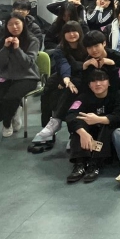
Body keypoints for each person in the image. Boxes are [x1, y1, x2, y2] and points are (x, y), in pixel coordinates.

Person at [30, 21, 87, 152]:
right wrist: (66, 79)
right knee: (48, 89)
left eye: (74, 31)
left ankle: (66, 127)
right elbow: (63, 64)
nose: (71, 34)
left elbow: (83, 67)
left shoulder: (86, 46)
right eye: (68, 32)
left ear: (80, 32)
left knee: (72, 91)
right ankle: (48, 127)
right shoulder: (60, 49)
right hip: (65, 75)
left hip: (83, 77)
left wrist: (70, 77)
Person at [64, 69, 120, 183]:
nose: (97, 84)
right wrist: (82, 132)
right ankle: (80, 163)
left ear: (109, 82)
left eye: (102, 80)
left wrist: (98, 119)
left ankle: (95, 163)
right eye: (93, 81)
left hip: (107, 137)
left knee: (107, 125)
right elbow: (70, 115)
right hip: (89, 134)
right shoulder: (83, 97)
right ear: (89, 85)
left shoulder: (119, 95)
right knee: (79, 124)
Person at [0, 13, 40, 137]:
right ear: (6, 26)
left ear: (23, 24)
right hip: (7, 77)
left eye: (17, 23)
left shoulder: (32, 40)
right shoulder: (2, 41)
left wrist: (17, 49)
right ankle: (12, 112)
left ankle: (6, 124)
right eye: (10, 24)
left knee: (10, 98)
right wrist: (5, 48)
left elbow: (28, 63)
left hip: (28, 77)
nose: (14, 27)